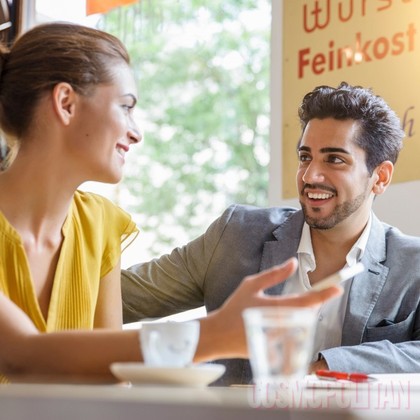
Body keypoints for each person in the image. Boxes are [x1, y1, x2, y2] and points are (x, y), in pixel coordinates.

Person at [0, 22, 340, 381]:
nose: (136, 132)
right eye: (125, 106)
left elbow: (107, 379)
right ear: (66, 103)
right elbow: (20, 357)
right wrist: (213, 335)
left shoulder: (100, 225)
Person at [122, 82, 420, 385]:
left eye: (334, 159)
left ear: (380, 177)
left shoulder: (413, 264)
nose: (310, 176)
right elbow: (122, 297)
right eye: (305, 157)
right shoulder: (236, 235)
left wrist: (325, 366)